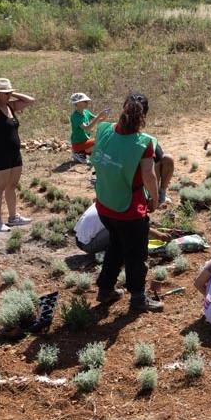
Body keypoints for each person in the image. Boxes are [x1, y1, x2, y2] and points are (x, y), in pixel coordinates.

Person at [89, 93, 163, 312]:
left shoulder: (103, 130)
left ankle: (105, 289)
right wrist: (155, 199)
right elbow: (149, 176)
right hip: (129, 209)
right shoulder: (143, 142)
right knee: (136, 253)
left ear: (123, 109)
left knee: (117, 244)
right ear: (144, 115)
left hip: (104, 204)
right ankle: (138, 298)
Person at [0, 78, 35, 233]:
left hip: (14, 153)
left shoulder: (10, 106)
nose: (8, 95)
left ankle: (13, 217)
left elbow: (30, 100)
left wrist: (11, 92)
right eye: (5, 92)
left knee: (12, 185)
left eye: (9, 92)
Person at [75, 202, 172, 255]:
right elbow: (134, 225)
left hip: (78, 239)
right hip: (88, 244)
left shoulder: (111, 197)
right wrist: (159, 235)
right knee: (123, 228)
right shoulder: (122, 206)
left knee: (123, 226)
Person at [68, 93, 110, 164]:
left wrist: (105, 116)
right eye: (85, 101)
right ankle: (79, 153)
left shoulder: (86, 112)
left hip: (85, 141)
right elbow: (87, 128)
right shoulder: (75, 116)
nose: (87, 103)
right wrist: (99, 116)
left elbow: (99, 120)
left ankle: (83, 153)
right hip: (78, 143)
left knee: (101, 143)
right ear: (78, 103)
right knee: (100, 140)